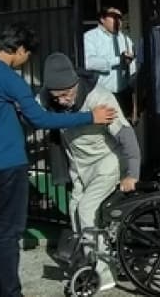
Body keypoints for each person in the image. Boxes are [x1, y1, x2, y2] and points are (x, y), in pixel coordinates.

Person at [0, 22, 116, 297]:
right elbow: (40, 119)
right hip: (7, 162)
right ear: (20, 49)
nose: (26, 60)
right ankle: (11, 293)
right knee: (8, 234)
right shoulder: (10, 79)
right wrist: (89, 116)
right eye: (27, 55)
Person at [37, 52, 141, 291]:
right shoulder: (46, 97)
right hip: (79, 166)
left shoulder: (100, 97)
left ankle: (104, 272)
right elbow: (32, 112)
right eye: (57, 96)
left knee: (87, 210)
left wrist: (132, 174)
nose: (63, 100)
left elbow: (127, 136)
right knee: (75, 210)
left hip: (107, 163)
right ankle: (87, 261)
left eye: (67, 94)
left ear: (76, 84)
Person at [84, 6, 138, 122]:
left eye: (120, 18)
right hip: (101, 95)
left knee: (125, 129)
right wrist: (118, 60)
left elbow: (133, 72)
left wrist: (134, 107)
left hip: (123, 95)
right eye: (114, 17)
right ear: (102, 19)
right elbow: (88, 63)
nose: (118, 20)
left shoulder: (125, 39)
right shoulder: (90, 37)